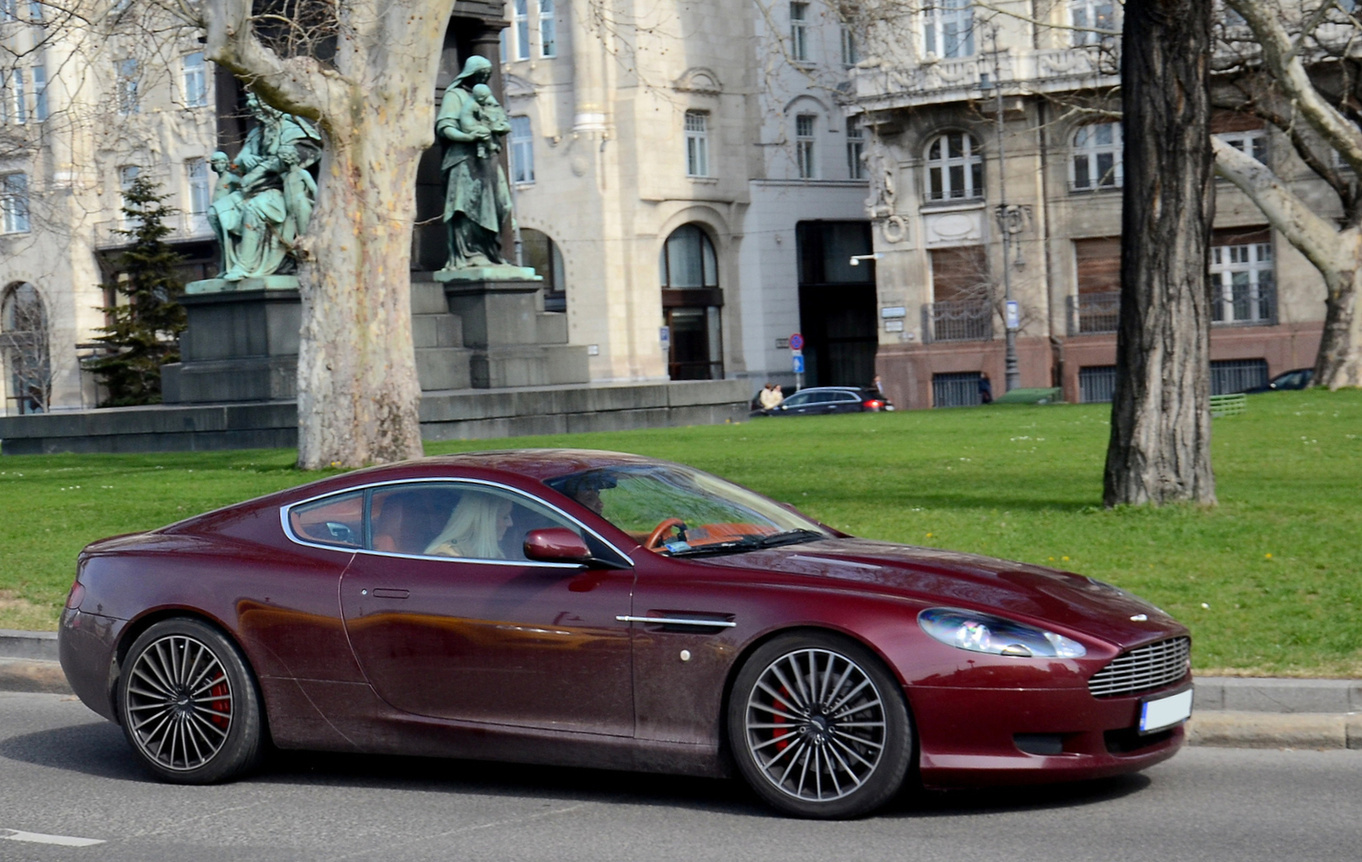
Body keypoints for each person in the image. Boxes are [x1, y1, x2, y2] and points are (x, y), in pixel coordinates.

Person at [217, 92, 322, 281]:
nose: (254, 110)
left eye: (257, 105)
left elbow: (304, 157)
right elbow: (238, 161)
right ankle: (227, 265)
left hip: (279, 189)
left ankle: (245, 265)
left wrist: (263, 167)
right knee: (217, 210)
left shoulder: (291, 129)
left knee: (253, 208)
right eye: (251, 107)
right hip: (255, 188)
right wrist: (245, 160)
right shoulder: (257, 133)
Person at [435, 56, 514, 270]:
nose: (484, 78)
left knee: (502, 204)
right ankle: (469, 254)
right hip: (464, 161)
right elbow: (445, 127)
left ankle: (491, 253)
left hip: (488, 159)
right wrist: (468, 137)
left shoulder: (485, 97)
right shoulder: (455, 95)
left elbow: (499, 119)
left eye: (487, 75)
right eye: (481, 74)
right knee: (466, 207)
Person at [425, 494, 515, 559]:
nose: (510, 523)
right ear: (484, 521)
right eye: (505, 517)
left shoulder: (492, 553)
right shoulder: (447, 557)